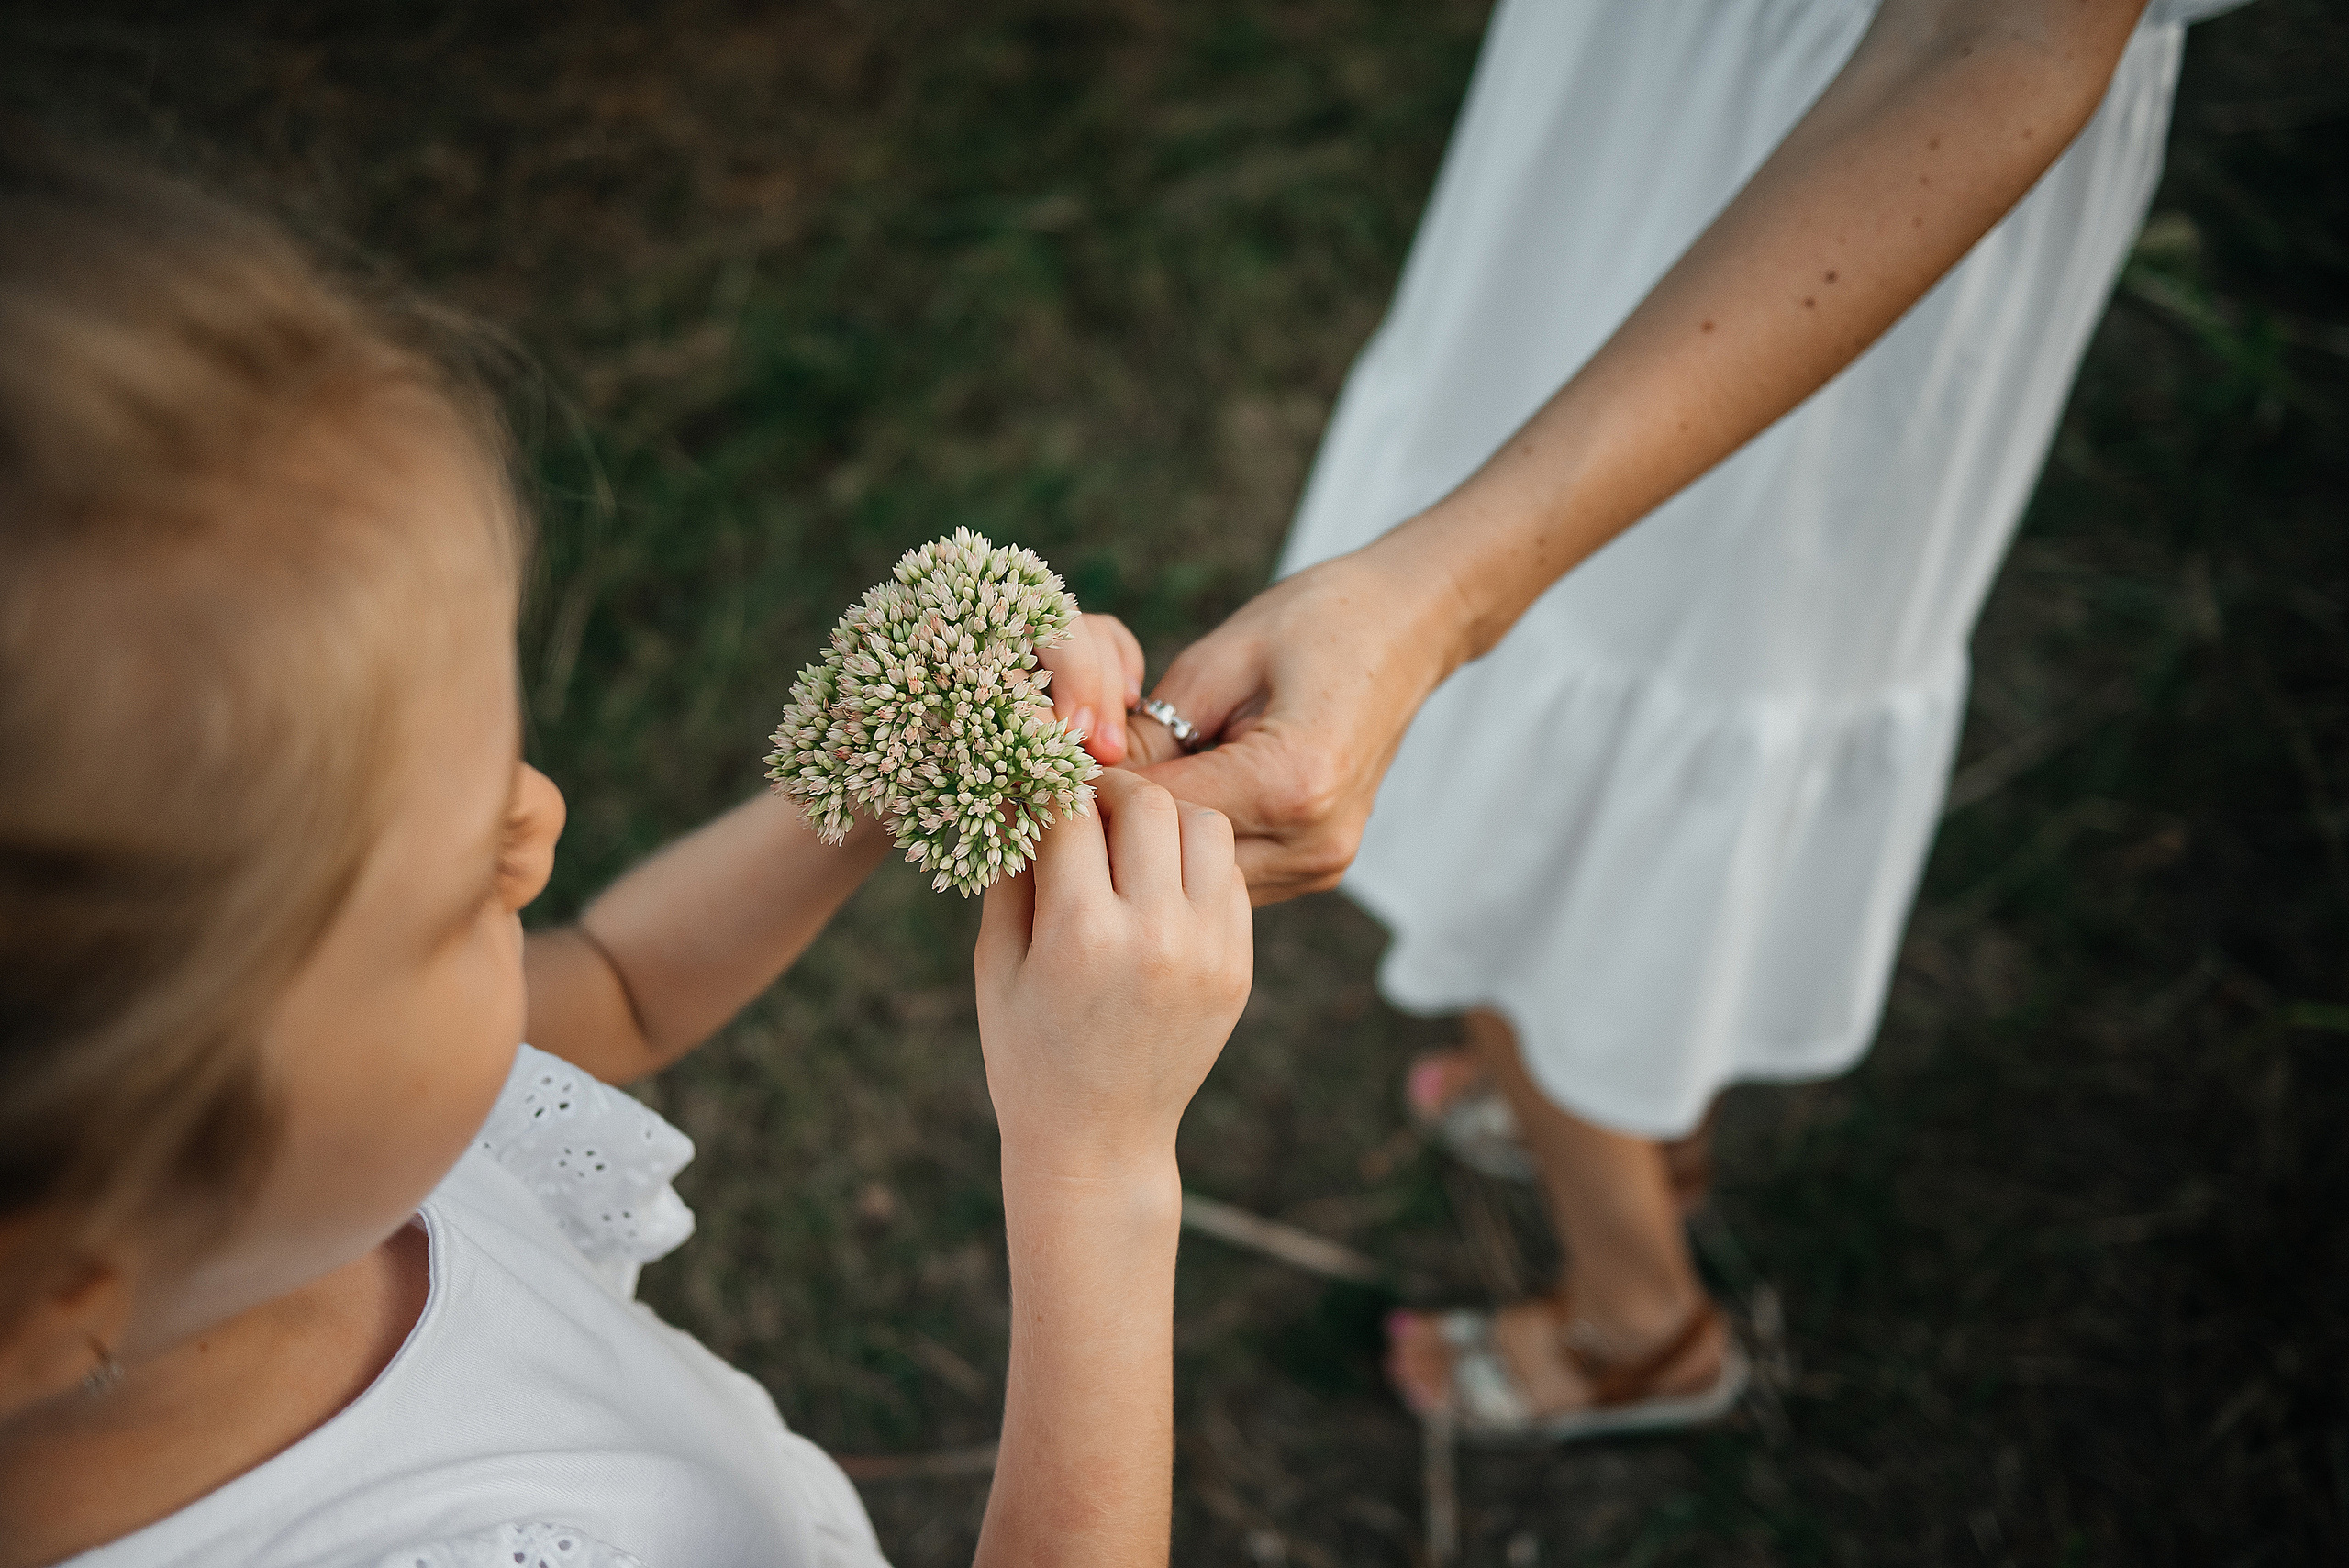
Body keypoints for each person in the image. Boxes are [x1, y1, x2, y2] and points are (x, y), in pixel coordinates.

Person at [0, 148, 1246, 1567]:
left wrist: (887, 743)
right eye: (464, 883)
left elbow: (623, 986)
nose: (539, 820)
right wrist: (1097, 1168)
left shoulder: (268, 1149)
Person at [1050, 0, 2249, 1443]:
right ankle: (1639, 1123)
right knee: (1576, 753)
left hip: (1867, 173)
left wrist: (1442, 602)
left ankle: (1639, 1313)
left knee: (1553, 809)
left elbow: (2005, 33)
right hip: (1627, 109)